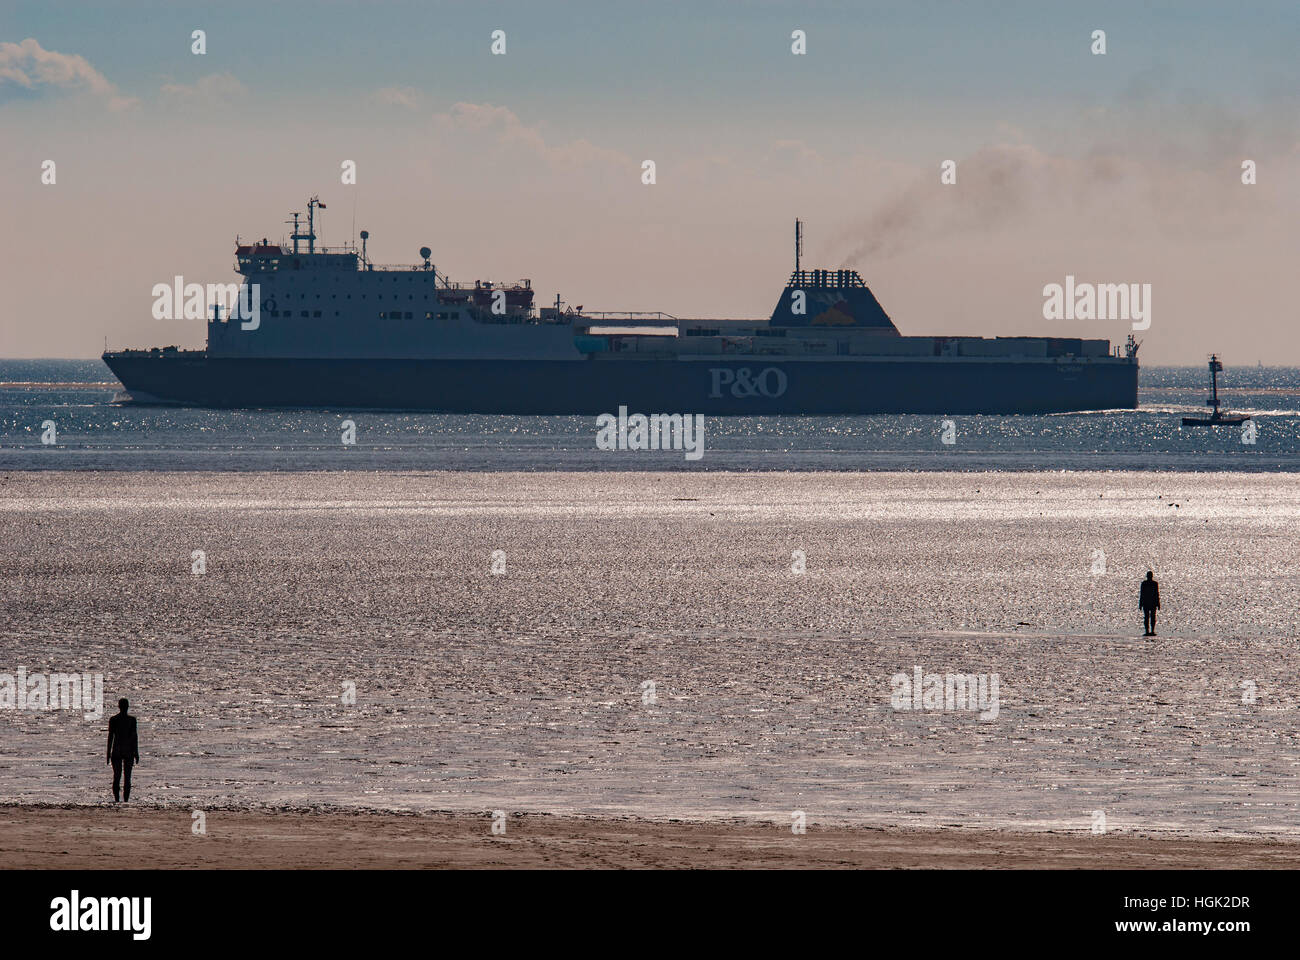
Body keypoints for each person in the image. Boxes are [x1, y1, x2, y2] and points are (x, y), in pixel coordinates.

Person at [106, 698, 139, 802]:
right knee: (126, 777)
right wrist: (136, 752)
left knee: (117, 777)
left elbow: (110, 737)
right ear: (127, 706)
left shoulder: (114, 719)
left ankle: (117, 800)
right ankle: (125, 800)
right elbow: (134, 737)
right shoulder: (131, 720)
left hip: (117, 750)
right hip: (127, 750)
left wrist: (108, 752)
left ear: (119, 706)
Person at [1139, 571, 1160, 637]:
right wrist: (1140, 603)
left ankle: (1150, 631)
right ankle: (1149, 631)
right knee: (1148, 617)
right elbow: (1142, 594)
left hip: (1150, 603)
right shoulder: (1147, 584)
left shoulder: (1152, 584)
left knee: (1150, 617)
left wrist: (1158, 603)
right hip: (1149, 603)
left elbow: (1156, 594)